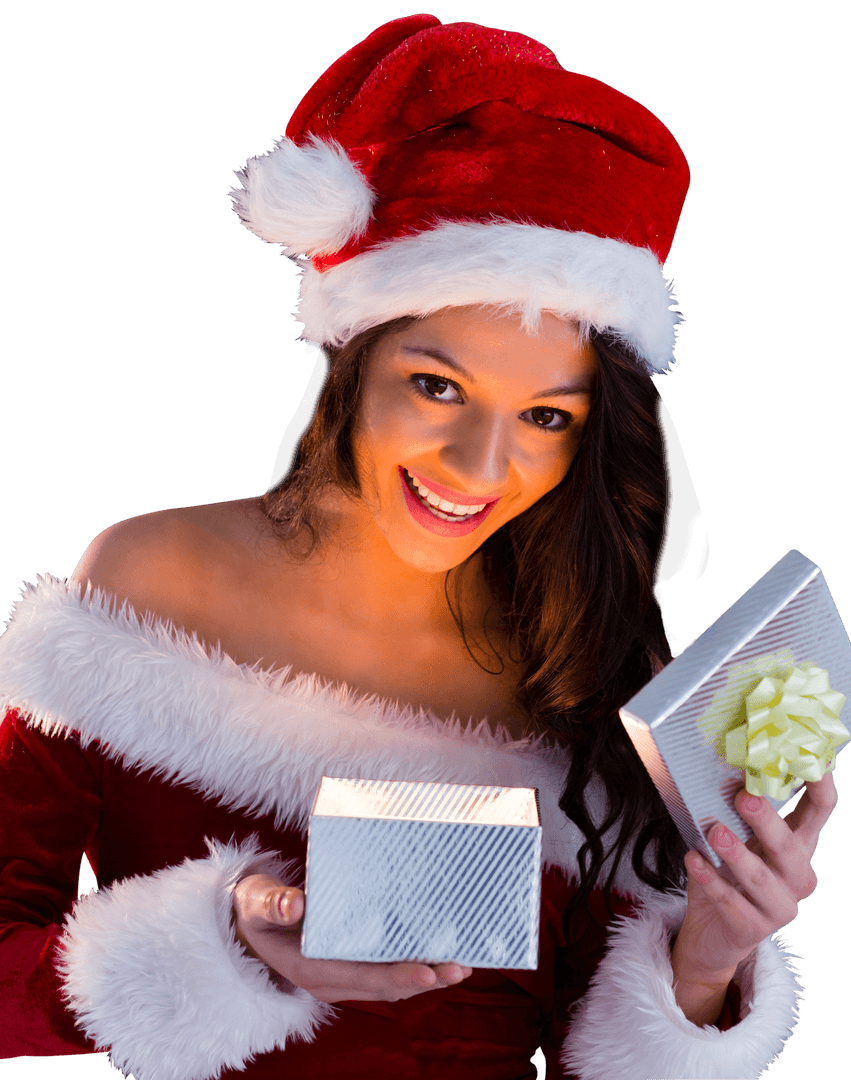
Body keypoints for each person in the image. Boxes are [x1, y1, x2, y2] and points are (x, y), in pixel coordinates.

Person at [0, 14, 836, 1080]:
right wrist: (223, 940)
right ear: (349, 364)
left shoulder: (594, 660)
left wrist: (708, 962)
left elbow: (599, 1056)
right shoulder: (148, 581)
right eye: (435, 387)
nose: (480, 468)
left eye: (546, 416)